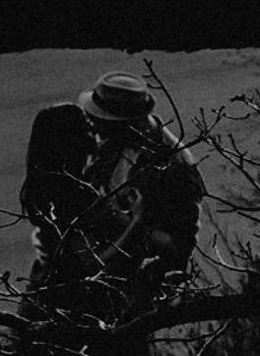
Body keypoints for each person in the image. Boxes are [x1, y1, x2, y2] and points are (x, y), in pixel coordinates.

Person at [19, 73, 205, 326]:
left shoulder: (172, 165)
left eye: (99, 120)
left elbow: (178, 243)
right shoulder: (109, 145)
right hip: (85, 286)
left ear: (123, 122)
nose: (93, 126)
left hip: (127, 292)